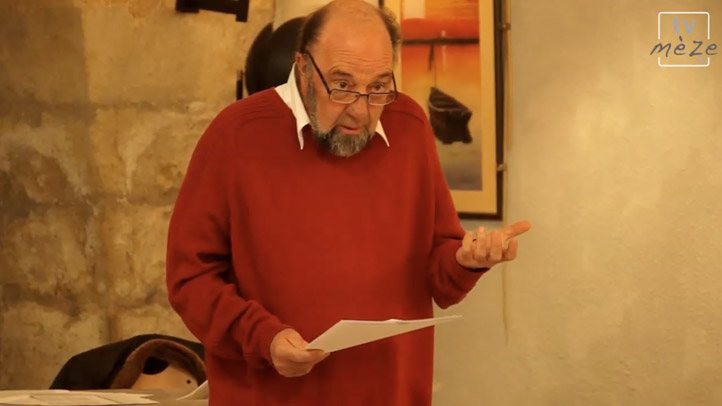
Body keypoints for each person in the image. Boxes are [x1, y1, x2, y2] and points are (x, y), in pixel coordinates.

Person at [165, 1, 531, 405]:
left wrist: (466, 261)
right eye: (342, 85)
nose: (360, 111)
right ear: (304, 68)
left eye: (378, 87)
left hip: (391, 394)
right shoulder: (236, 134)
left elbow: (438, 275)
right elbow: (190, 279)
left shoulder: (408, 125)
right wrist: (263, 338)